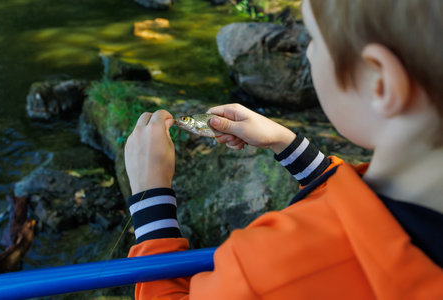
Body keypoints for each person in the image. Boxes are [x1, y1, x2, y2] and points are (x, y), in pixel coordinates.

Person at [124, 0, 443, 298]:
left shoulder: (269, 265)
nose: (307, 54)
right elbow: (363, 213)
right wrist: (286, 143)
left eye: (314, 40)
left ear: (380, 83)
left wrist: (150, 198)